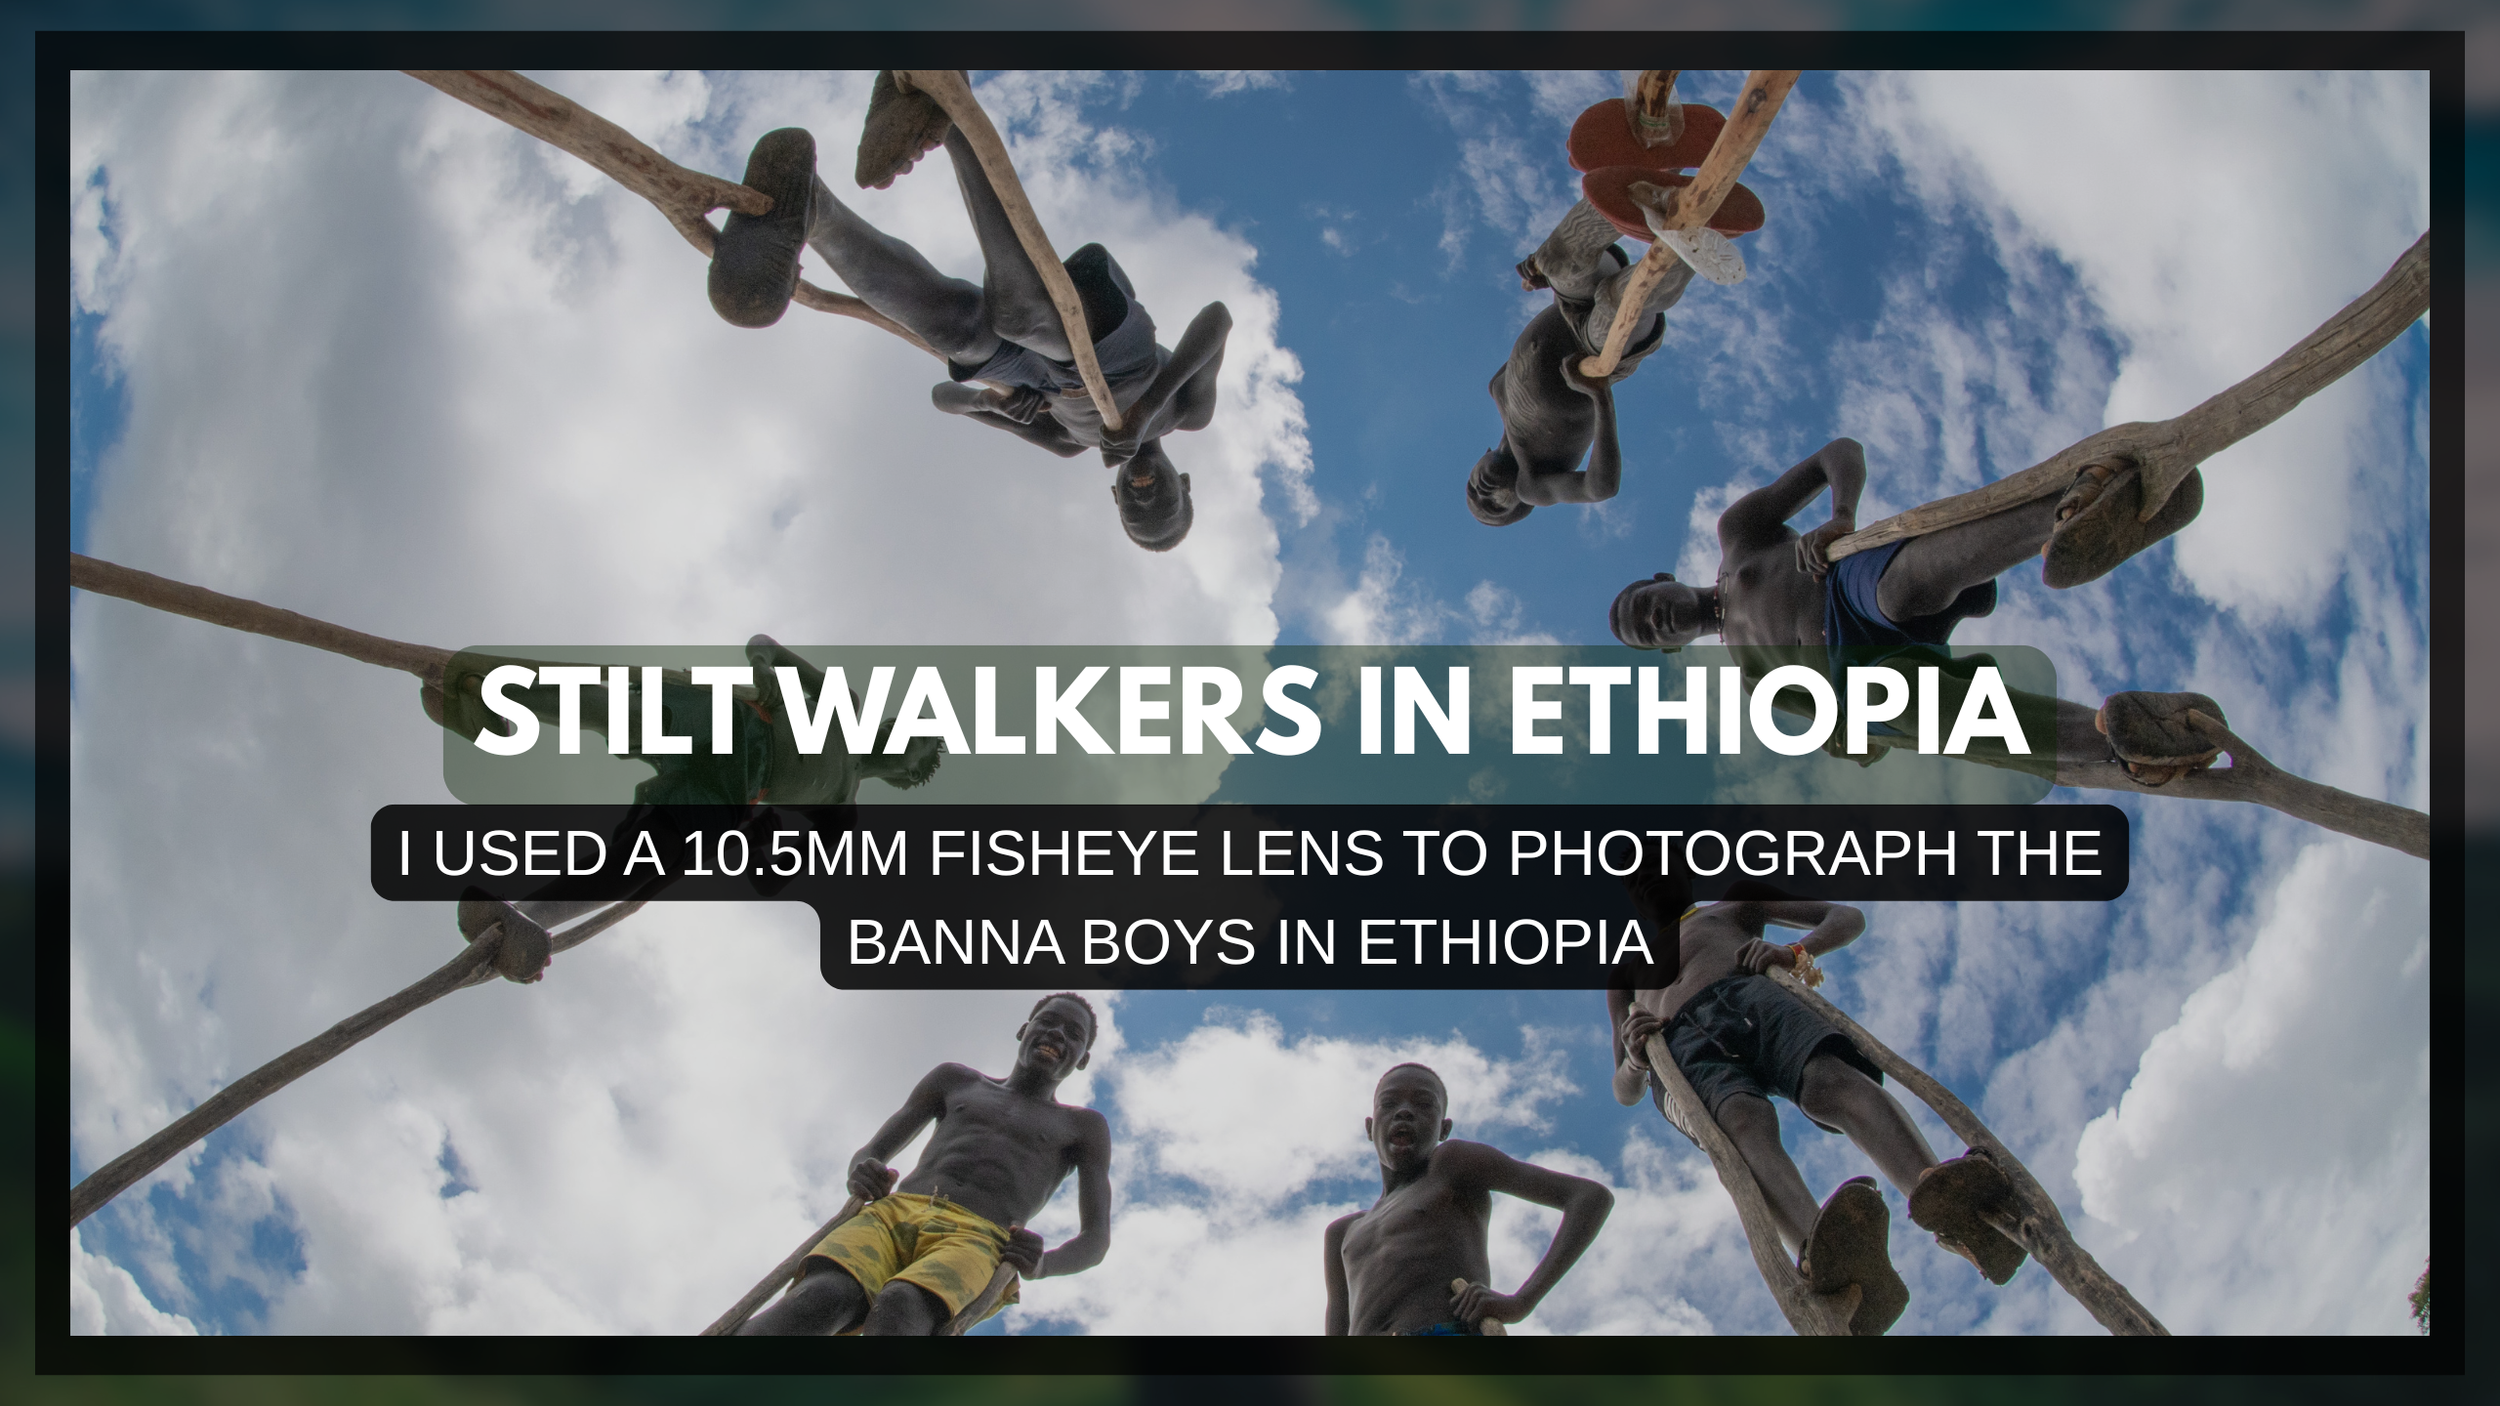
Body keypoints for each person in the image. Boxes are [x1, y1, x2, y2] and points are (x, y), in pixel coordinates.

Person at [707, 75, 1232, 552]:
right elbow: (1217, 319)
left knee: (955, 331)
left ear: (1115, 501)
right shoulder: (1187, 412)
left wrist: (994, 405)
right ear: (1182, 485)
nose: (1146, 503)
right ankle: (948, 117)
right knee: (1023, 321)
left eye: (1136, 516)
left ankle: (811, 208)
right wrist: (1146, 409)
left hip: (1033, 368)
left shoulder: (1066, 442)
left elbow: (944, 399)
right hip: (1106, 328)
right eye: (1165, 508)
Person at [1606, 435, 2226, 786]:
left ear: (1661, 581)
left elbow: (1837, 453)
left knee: (1908, 583)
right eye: (1645, 632)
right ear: (1668, 649)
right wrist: (1853, 738)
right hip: (1861, 675)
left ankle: (2079, 510)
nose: (1652, 619)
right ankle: (2127, 740)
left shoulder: (1737, 533)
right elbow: (1842, 730)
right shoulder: (1752, 678)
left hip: (1842, 584)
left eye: (1644, 605)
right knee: (1926, 715)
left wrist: (1840, 516)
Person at [1607, 886, 2024, 1336]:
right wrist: (1634, 1059)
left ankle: (1945, 1197)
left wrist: (1794, 951)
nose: (1649, 879)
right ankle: (1822, 1252)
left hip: (1750, 993)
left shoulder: (1733, 906)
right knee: (1740, 1126)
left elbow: (1844, 916)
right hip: (1678, 1048)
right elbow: (1623, 1089)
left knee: (1828, 1079)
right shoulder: (1627, 971)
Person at [739, 992, 1113, 1335]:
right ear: (1023, 1030)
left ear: (1083, 1059)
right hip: (893, 1215)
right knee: (824, 1295)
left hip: (978, 1240)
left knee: (904, 1305)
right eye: (1048, 1021)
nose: (1057, 1033)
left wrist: (1042, 1264)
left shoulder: (1083, 1128)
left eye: (1073, 1033)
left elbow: (1095, 1240)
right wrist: (865, 1171)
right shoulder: (956, 1080)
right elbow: (871, 1153)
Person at [1323, 1063, 1614, 1336]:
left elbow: (1589, 1197)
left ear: (1444, 1130)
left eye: (1423, 1104)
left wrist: (1521, 1301)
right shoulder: (1342, 1233)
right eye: (1389, 1104)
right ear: (1369, 1127)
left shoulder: (1452, 1165)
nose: (1404, 1112)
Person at [1466, 200, 1698, 526]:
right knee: (1620, 301)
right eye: (1492, 505)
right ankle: (1693, 233)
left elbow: (1540, 345)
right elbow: (1599, 488)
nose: (1481, 492)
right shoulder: (1534, 482)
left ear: (1480, 456)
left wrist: (1545, 279)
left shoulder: (1498, 389)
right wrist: (1601, 395)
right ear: (1521, 503)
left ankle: (1640, 190)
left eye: (1471, 490)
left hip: (1571, 305)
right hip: (1600, 351)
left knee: (1554, 259)